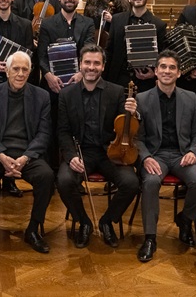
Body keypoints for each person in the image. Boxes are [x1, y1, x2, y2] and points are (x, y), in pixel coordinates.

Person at [0, 52, 55, 259]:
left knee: (47, 176)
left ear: (30, 72)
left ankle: (33, 229)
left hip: (28, 154)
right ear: (6, 71)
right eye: (15, 69)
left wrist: (25, 158)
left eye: (25, 69)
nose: (20, 73)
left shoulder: (41, 96)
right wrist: (1, 155)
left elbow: (44, 134)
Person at [56, 45, 140, 249]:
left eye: (96, 63)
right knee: (64, 181)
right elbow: (63, 131)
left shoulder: (117, 92)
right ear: (80, 64)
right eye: (87, 62)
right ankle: (83, 222)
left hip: (109, 152)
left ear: (103, 67)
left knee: (131, 183)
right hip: (80, 151)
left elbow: (127, 127)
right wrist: (71, 156)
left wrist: (134, 113)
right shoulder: (67, 94)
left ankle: (107, 221)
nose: (91, 67)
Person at [135, 50, 196, 263]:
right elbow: (136, 138)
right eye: (163, 67)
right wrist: (146, 158)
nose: (167, 71)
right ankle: (150, 237)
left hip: (181, 154)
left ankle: (185, 220)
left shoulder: (191, 98)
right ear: (156, 71)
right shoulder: (142, 98)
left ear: (178, 73)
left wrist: (194, 152)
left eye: (172, 68)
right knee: (150, 182)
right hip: (154, 155)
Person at [104, 0, 167, 93]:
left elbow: (162, 57)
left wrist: (154, 74)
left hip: (147, 84)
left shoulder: (159, 25)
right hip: (118, 82)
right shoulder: (117, 20)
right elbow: (109, 51)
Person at [37, 0, 95, 95]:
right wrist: (48, 76)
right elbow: (41, 55)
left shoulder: (88, 23)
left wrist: (81, 74)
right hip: (52, 85)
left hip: (79, 83)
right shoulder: (47, 24)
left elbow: (88, 52)